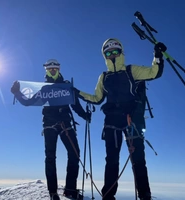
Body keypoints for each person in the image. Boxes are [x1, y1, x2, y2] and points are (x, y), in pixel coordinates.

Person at [73, 39, 167, 200]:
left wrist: (157, 56)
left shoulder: (131, 70)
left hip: (131, 119)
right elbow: (97, 98)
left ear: (121, 52)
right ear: (104, 56)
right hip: (112, 121)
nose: (112, 55)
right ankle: (108, 195)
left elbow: (154, 72)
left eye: (115, 51)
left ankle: (145, 195)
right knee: (112, 160)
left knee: (138, 160)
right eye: (108, 53)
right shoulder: (104, 77)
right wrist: (77, 93)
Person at [11, 59, 90, 200]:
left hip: (63, 123)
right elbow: (29, 102)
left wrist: (85, 115)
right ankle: (53, 192)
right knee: (51, 157)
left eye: (55, 68)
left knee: (74, 154)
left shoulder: (66, 87)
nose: (53, 70)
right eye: (50, 68)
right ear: (47, 70)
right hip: (51, 125)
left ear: (59, 69)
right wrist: (17, 93)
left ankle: (70, 190)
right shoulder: (44, 88)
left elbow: (75, 105)